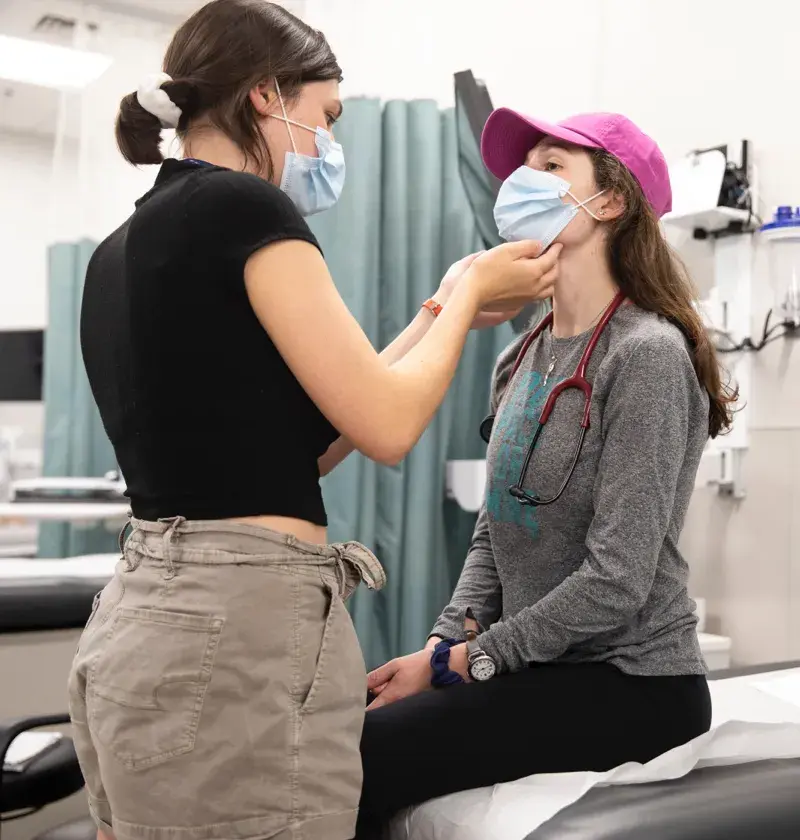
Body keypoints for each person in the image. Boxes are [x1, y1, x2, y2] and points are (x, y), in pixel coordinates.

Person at [65, 3, 560, 840]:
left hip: (146, 618)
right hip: (239, 630)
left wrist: (440, 311)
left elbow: (308, 442)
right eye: (326, 117)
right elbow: (388, 426)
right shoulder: (243, 211)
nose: (332, 144)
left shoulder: (125, 244)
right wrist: (470, 292)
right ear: (267, 94)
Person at [355, 108, 737, 837]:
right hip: (544, 669)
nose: (523, 180)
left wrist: (469, 663)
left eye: (551, 165)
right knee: (345, 727)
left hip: (636, 683)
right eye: (523, 165)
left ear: (612, 201)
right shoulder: (518, 357)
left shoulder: (647, 356)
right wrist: (442, 645)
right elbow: (493, 537)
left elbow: (617, 579)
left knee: (364, 756)